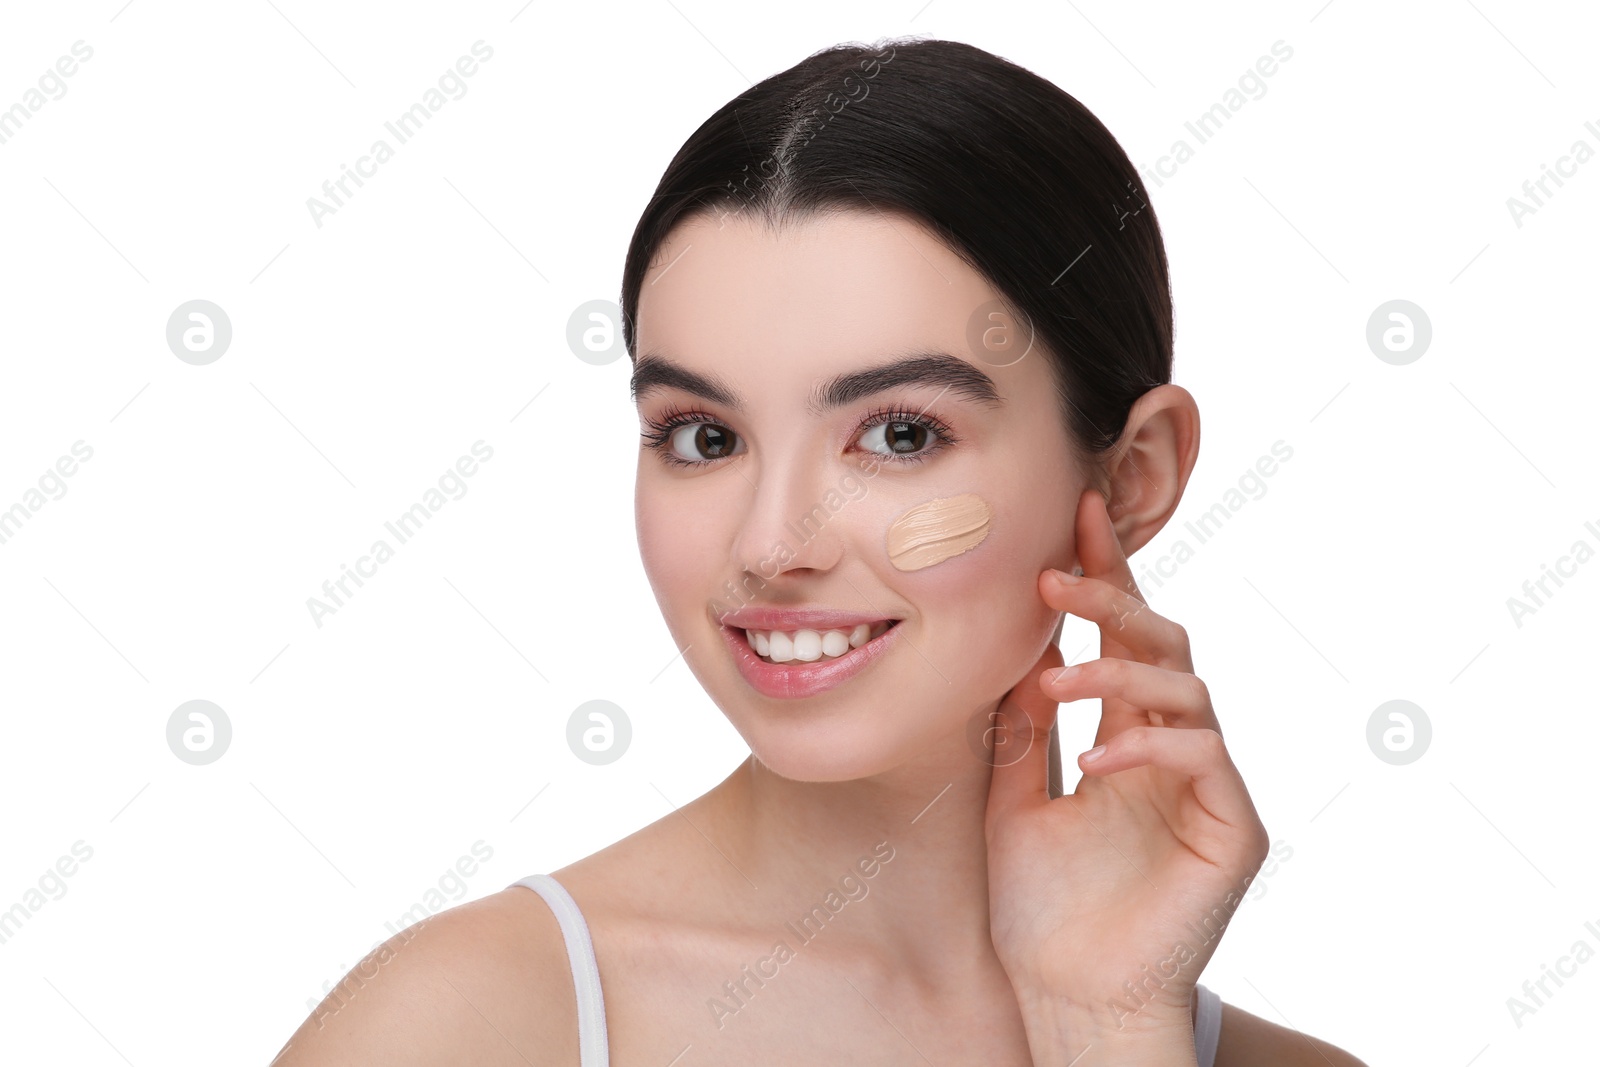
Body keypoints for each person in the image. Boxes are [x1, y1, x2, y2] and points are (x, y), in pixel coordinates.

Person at [272, 36, 1367, 1066]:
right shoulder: (462, 1025)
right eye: (704, 437)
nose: (767, 543)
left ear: (1132, 475)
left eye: (898, 433)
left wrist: (1106, 1025)